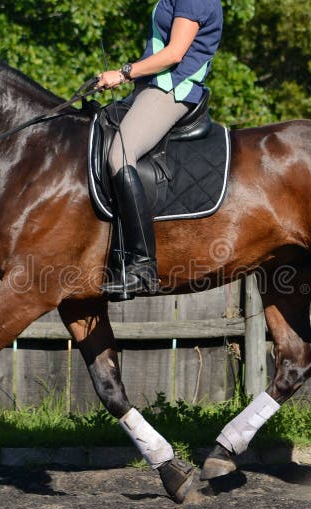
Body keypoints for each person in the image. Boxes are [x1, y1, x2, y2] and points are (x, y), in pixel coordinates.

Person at [96, 0, 223, 299]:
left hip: (173, 89)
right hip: (151, 86)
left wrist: (124, 73)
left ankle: (143, 267)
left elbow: (174, 53)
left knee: (120, 155)